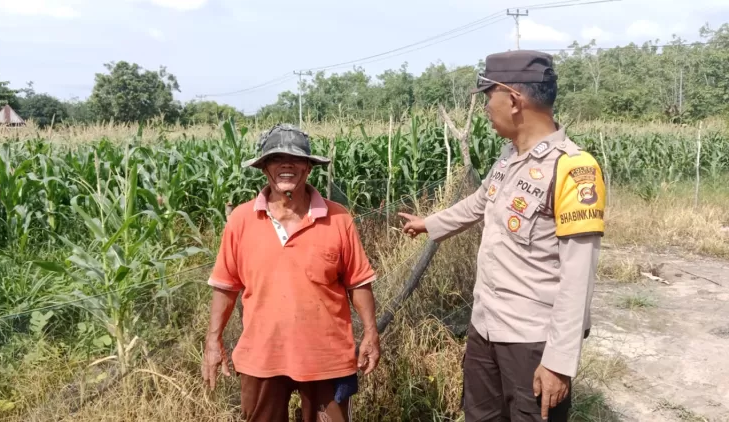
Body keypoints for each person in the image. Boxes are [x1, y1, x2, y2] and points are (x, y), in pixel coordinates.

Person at [399, 50, 606, 421]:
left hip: (532, 341)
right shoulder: (510, 156)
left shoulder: (574, 170)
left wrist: (559, 362)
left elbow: (579, 278)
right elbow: (480, 203)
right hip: (486, 327)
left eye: (487, 97)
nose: (484, 108)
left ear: (513, 100)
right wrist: (430, 224)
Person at [201, 124, 380, 422]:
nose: (287, 165)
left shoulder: (339, 218)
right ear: (264, 169)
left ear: (308, 168)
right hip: (262, 356)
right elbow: (225, 286)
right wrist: (212, 341)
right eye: (276, 159)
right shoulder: (241, 221)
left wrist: (371, 334)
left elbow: (358, 281)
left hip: (327, 356)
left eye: (296, 159)